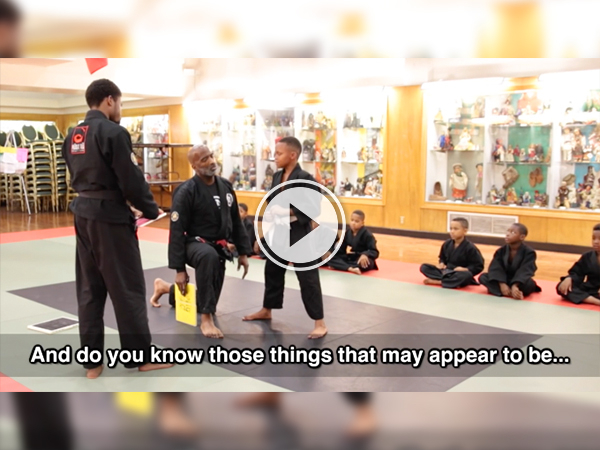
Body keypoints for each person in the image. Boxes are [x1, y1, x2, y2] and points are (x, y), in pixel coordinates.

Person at [62, 79, 173, 379]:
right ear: (109, 100)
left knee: (89, 289)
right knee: (128, 288)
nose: (121, 110)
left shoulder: (72, 135)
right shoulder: (113, 132)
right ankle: (141, 358)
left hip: (83, 214)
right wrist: (151, 209)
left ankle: (92, 363)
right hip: (110, 219)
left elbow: (78, 173)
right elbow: (131, 179)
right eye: (121, 104)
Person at [158, 145, 250, 339]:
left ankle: (165, 288)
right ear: (194, 166)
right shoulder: (186, 191)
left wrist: (243, 252)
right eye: (204, 159)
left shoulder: (225, 186)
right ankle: (206, 320)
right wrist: (180, 270)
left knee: (208, 300)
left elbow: (235, 220)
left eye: (211, 156)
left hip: (218, 246)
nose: (211, 161)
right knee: (208, 256)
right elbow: (176, 230)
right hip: (193, 244)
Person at [242, 136, 327, 339]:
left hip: (298, 233)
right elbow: (272, 204)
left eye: (279, 153)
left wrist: (287, 211)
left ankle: (320, 322)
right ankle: (267, 309)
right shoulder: (277, 176)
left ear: (293, 155)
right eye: (275, 153)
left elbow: (314, 208)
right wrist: (263, 234)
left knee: (308, 278)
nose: (275, 157)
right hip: (279, 231)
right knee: (272, 271)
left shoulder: (305, 178)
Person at [479, 223, 541, 299]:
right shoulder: (501, 251)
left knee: (529, 284)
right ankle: (511, 292)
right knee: (483, 277)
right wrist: (502, 284)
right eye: (508, 231)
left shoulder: (529, 252)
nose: (508, 234)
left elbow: (526, 270)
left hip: (519, 281)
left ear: (522, 237)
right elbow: (496, 267)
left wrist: (515, 285)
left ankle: (508, 291)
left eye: (513, 232)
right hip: (504, 278)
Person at [420, 217, 484, 288]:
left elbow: (478, 266)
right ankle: (450, 281)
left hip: (458, 273)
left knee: (466, 275)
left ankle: (439, 281)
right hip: (446, 272)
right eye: (451, 229)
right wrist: (442, 263)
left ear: (465, 231)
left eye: (456, 229)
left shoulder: (470, 247)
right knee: (424, 267)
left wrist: (466, 269)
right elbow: (442, 258)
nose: (452, 231)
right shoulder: (447, 244)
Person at [556, 224, 600, 306]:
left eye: (599, 239)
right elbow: (577, 272)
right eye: (594, 238)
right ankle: (596, 301)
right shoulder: (588, 256)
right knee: (562, 287)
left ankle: (586, 298)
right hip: (592, 290)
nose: (596, 242)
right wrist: (570, 278)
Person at [327, 210, 379, 275]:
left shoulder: (367, 235)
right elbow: (341, 249)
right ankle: (351, 268)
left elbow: (374, 251)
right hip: (352, 257)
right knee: (330, 257)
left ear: (362, 223)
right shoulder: (348, 232)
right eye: (352, 220)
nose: (353, 223)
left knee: (364, 263)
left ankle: (342, 266)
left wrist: (365, 254)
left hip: (363, 259)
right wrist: (332, 252)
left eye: (356, 221)